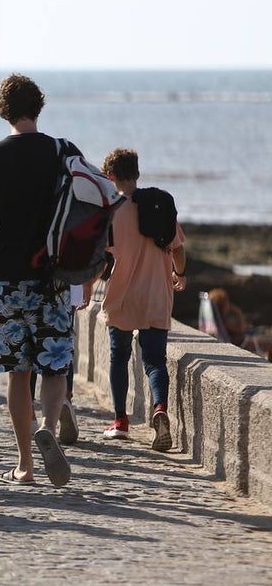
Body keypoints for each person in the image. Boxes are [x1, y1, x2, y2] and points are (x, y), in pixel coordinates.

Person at [0, 73, 80, 487]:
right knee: (54, 366)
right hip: (54, 278)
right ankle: (49, 422)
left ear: (3, 111)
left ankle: (26, 463)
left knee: (18, 372)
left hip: (7, 280)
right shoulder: (61, 152)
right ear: (39, 106)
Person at [100, 148, 187, 451]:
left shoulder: (111, 212)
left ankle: (120, 421)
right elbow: (177, 249)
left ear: (110, 176)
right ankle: (160, 409)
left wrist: (84, 288)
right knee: (154, 361)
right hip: (156, 296)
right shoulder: (160, 205)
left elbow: (102, 259)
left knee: (118, 356)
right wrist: (180, 274)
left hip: (122, 296)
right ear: (137, 173)